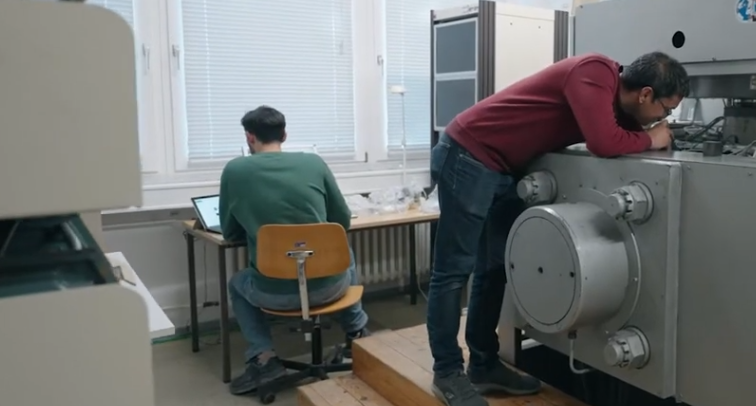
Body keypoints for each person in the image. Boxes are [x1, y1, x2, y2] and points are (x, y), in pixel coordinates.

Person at [427, 52, 689, 406]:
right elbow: (604, 142)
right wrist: (653, 139)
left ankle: (484, 365)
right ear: (645, 94)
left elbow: (617, 134)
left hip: (503, 167)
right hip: (469, 154)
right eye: (666, 110)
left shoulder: (614, 102)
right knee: (453, 271)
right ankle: (446, 372)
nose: (664, 119)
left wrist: (652, 137)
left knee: (494, 268)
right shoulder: (593, 73)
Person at [219, 106, 371, 396]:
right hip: (332, 289)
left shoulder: (235, 170)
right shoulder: (314, 163)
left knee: (237, 284)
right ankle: (357, 334)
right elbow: (341, 222)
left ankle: (264, 358)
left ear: (250, 137)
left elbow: (229, 232)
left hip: (273, 294)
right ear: (284, 135)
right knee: (343, 251)